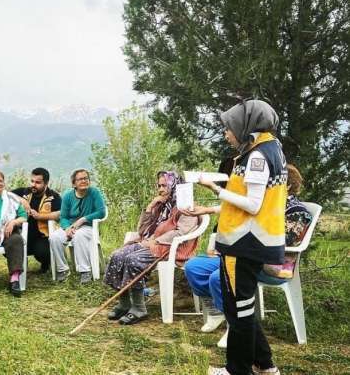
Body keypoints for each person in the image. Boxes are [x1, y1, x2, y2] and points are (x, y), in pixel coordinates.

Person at [183, 100, 287, 375]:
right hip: (256, 242)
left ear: (245, 125)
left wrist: (214, 188)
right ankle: (266, 366)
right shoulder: (272, 148)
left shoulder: (257, 156)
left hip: (245, 244)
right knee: (244, 307)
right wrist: (212, 208)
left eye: (229, 128)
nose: (226, 134)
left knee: (237, 309)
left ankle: (237, 370)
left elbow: (252, 204)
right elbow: (257, 203)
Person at [184, 164, 313, 346]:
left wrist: (239, 243)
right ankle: (217, 311)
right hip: (242, 257)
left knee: (218, 278)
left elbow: (282, 243)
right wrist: (209, 211)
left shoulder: (298, 212)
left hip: (273, 265)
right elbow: (238, 208)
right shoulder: (266, 204)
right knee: (194, 267)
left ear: (287, 185)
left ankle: (235, 327)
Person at [103, 171, 199, 324]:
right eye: (159, 185)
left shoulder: (186, 206)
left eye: (165, 185)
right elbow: (142, 231)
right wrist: (150, 207)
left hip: (171, 248)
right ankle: (124, 303)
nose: (160, 189)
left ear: (175, 186)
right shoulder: (161, 206)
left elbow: (181, 232)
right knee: (117, 256)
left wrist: (157, 240)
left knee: (133, 260)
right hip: (149, 243)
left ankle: (139, 309)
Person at [49, 168, 106, 284]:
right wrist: (67, 228)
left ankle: (85, 271)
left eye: (86, 178)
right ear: (74, 183)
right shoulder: (67, 196)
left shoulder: (94, 192)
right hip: (70, 227)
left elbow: (101, 212)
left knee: (79, 235)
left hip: (88, 227)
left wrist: (83, 219)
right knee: (54, 238)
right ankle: (63, 269)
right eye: (80, 179)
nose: (84, 181)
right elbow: (63, 216)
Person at [12, 167, 61, 274]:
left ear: (46, 183)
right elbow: (6, 194)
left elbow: (59, 214)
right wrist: (22, 201)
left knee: (43, 252)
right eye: (32, 181)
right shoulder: (24, 192)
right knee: (11, 245)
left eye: (38, 182)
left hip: (42, 236)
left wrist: (39, 216)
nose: (33, 184)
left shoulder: (54, 196)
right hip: (22, 234)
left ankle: (46, 264)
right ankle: (18, 268)